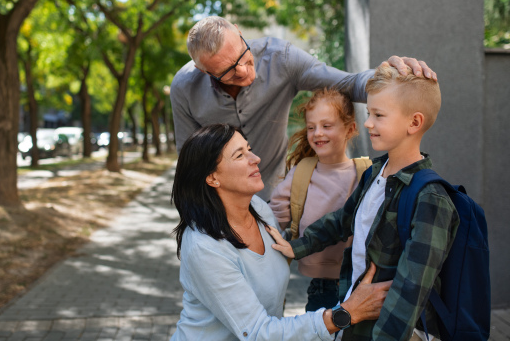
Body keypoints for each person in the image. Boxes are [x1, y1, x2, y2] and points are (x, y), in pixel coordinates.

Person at [267, 64, 459, 340]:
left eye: (378, 115)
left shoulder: (431, 199)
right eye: (369, 113)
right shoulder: (374, 173)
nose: (368, 123)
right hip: (356, 319)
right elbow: (342, 220)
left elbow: (412, 288)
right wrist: (296, 247)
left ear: (414, 123)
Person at [170, 16, 437, 200]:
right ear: (203, 70)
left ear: (240, 32)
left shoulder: (281, 58)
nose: (243, 71)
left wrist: (390, 76)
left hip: (271, 194)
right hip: (218, 198)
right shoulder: (184, 87)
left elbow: (348, 83)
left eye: (243, 55)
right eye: (228, 71)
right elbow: (189, 157)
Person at [170, 123, 392, 340]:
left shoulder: (258, 209)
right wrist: (346, 313)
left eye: (249, 149)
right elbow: (258, 332)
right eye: (239, 155)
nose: (255, 158)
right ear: (212, 178)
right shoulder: (205, 248)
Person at [269, 88, 369, 313]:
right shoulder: (302, 172)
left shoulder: (366, 173)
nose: (317, 133)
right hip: (322, 286)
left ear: (350, 129)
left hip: (361, 284)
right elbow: (273, 218)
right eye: (311, 127)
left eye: (327, 125)